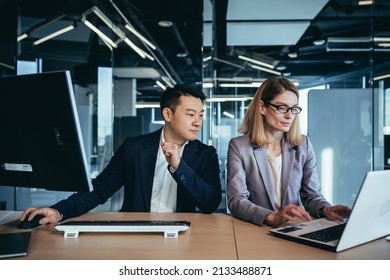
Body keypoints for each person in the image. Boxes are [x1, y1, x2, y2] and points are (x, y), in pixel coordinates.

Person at [21, 84, 222, 225]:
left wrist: (180, 167)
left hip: (183, 234)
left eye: (200, 115)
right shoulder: (133, 148)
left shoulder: (205, 154)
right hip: (137, 233)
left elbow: (210, 204)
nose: (198, 122)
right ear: (167, 114)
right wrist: (59, 210)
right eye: (190, 114)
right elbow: (99, 190)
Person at [227, 76, 351, 227]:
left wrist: (326, 209)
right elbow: (237, 200)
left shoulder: (303, 145)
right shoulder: (239, 146)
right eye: (282, 107)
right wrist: (271, 217)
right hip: (255, 230)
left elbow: (311, 196)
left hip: (291, 229)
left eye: (293, 109)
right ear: (262, 107)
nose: (289, 115)